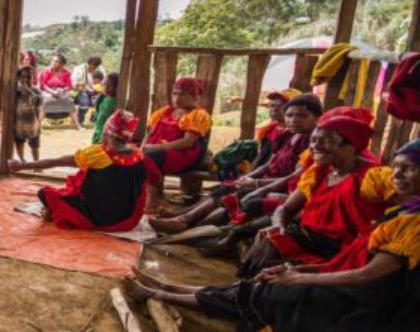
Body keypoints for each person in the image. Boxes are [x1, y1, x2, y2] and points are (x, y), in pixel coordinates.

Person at [125, 139, 420, 332]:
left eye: (408, 168)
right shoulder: (405, 209)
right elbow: (358, 265)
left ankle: (162, 293)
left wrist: (302, 278)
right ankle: (169, 287)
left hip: (381, 308)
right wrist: (302, 271)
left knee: (274, 291)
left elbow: (369, 275)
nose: (396, 176)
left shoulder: (414, 222)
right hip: (364, 290)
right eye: (396, 167)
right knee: (269, 278)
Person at [238, 107, 393, 277]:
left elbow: (405, 206)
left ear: (351, 146)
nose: (315, 146)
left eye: (326, 140)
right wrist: (278, 225)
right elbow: (286, 209)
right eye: (313, 140)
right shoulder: (319, 172)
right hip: (309, 238)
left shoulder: (374, 176)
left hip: (345, 250)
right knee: (271, 240)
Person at [151, 94, 321, 235]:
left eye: (302, 116)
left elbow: (294, 179)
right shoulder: (290, 136)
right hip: (267, 180)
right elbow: (270, 163)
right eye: (290, 115)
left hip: (282, 188)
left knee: (233, 195)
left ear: (317, 118)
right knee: (229, 186)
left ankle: (188, 225)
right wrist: (249, 176)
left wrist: (256, 183)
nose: (293, 120)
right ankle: (184, 219)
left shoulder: (313, 142)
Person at [11, 110, 147, 231]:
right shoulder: (138, 155)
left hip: (98, 219)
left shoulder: (98, 154)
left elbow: (58, 161)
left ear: (108, 131)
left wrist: (22, 166)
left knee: (46, 194)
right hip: (127, 220)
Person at [142, 77, 212, 184]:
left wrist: (156, 148)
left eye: (183, 94)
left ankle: (152, 197)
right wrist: (142, 148)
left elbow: (187, 142)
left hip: (183, 156)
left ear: (195, 97)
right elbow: (150, 133)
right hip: (159, 151)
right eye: (174, 94)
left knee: (149, 159)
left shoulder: (197, 115)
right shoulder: (165, 112)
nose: (177, 98)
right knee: (130, 154)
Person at [13, 65, 43, 163]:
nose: (25, 79)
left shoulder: (36, 91)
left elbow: (38, 102)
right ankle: (22, 161)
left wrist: (27, 90)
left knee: (34, 145)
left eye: (29, 77)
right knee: (19, 143)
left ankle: (36, 163)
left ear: (33, 78)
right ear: (18, 78)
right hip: (19, 125)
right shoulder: (15, 91)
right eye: (23, 77)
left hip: (33, 125)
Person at [39, 54, 77, 126]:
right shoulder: (47, 71)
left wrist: (62, 90)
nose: (53, 63)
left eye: (56, 61)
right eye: (53, 61)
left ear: (61, 64)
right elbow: (43, 85)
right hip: (48, 92)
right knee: (47, 101)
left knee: (70, 101)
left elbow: (69, 86)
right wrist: (52, 91)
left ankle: (77, 124)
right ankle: (38, 124)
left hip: (61, 92)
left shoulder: (66, 73)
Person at [70, 56, 105, 127]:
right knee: (84, 99)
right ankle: (80, 120)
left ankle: (94, 119)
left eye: (94, 68)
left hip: (94, 91)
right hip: (79, 91)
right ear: (88, 64)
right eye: (91, 67)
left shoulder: (100, 69)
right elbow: (73, 83)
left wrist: (98, 87)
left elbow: (104, 80)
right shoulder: (79, 69)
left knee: (100, 100)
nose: (92, 69)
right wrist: (82, 84)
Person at [90, 73, 120, 145]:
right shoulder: (105, 98)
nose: (104, 87)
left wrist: (102, 139)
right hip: (98, 133)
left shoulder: (113, 102)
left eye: (108, 85)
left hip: (103, 137)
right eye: (104, 84)